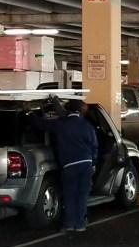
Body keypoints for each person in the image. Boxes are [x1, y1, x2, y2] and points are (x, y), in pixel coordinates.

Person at [29, 97, 98, 232]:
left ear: (68, 110)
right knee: (82, 194)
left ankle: (69, 224)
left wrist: (29, 113)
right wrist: (93, 163)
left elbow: (41, 124)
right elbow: (94, 146)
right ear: (79, 111)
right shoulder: (87, 126)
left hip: (70, 164)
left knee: (69, 194)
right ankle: (80, 224)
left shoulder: (61, 125)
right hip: (86, 163)